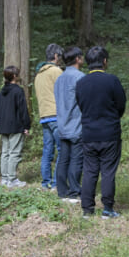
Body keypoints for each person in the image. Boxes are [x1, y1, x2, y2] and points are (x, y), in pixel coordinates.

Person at [75, 46, 126, 218]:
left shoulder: (81, 83)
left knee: (89, 170)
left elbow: (81, 105)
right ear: (104, 61)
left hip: (89, 133)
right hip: (109, 132)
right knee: (108, 171)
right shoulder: (112, 80)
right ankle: (107, 208)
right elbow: (121, 105)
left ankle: (87, 209)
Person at [54, 46, 85, 204]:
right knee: (76, 159)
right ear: (78, 59)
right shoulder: (80, 77)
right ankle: (74, 192)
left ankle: (62, 190)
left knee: (63, 158)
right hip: (76, 124)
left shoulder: (60, 78)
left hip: (61, 124)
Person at [34, 44, 64, 190]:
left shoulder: (39, 73)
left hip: (44, 115)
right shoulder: (56, 71)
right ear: (56, 56)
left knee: (47, 150)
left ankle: (46, 182)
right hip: (56, 115)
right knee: (62, 149)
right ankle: (57, 183)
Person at [0, 66, 32, 188]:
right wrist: (26, 125)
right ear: (14, 76)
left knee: (5, 152)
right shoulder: (18, 90)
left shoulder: (2, 91)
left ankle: (5, 178)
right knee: (14, 153)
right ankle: (12, 179)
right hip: (16, 126)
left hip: (3, 126)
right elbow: (23, 110)